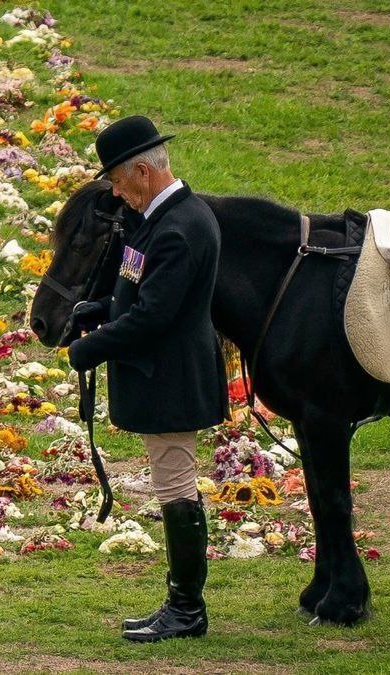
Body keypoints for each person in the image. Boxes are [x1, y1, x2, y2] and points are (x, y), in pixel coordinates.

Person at [65, 114, 230, 642]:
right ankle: (183, 604)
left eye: (116, 181)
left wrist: (90, 349)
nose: (117, 193)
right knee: (170, 483)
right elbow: (138, 290)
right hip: (165, 371)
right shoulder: (160, 219)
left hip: (173, 376)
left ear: (142, 170)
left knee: (177, 486)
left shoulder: (181, 228)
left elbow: (154, 316)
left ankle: (186, 608)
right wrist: (99, 308)